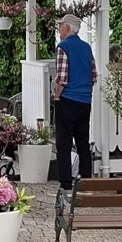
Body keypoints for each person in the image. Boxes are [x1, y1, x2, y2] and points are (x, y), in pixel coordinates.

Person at [52, 12, 96, 191]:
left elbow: (62, 78)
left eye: (60, 25)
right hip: (85, 102)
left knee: (63, 144)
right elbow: (94, 76)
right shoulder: (87, 47)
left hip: (68, 100)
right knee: (83, 143)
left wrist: (56, 96)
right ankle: (86, 183)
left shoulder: (63, 47)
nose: (59, 29)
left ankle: (66, 184)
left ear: (67, 27)